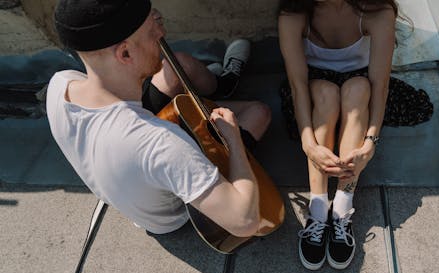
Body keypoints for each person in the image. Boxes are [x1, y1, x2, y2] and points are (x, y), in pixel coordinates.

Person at [46, 0, 271, 238]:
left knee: (179, 64)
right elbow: (244, 221)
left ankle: (224, 85)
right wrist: (233, 140)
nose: (162, 32)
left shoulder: (60, 83)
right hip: (173, 216)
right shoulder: (162, 144)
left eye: (157, 19)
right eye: (153, 30)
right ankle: (224, 104)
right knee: (259, 113)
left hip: (129, 161)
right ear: (125, 53)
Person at [278, 0, 433, 270]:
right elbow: (297, 84)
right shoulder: (294, 13)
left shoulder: (376, 11)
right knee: (327, 95)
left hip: (360, 89)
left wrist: (370, 143)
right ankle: (317, 211)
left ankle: (341, 208)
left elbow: (380, 85)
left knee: (359, 88)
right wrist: (308, 144)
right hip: (315, 91)